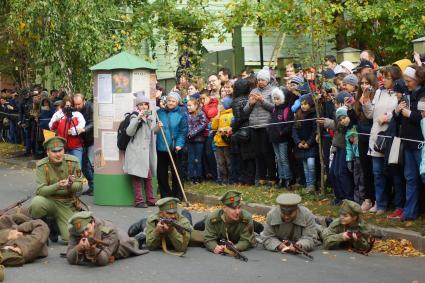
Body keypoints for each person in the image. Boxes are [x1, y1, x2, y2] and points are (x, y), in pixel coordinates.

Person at [361, 66, 403, 215]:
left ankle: (398, 205)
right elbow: (370, 114)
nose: (383, 80)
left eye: (387, 77)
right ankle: (381, 204)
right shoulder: (378, 92)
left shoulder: (399, 93)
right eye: (382, 77)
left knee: (394, 174)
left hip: (391, 137)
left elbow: (400, 111)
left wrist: (389, 116)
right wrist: (365, 102)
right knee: (377, 173)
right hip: (376, 137)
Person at [29, 136, 83, 242]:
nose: (58, 154)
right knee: (36, 202)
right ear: (47, 152)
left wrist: (70, 184)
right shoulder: (42, 165)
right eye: (54, 151)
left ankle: (56, 225)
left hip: (67, 203)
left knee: (70, 239)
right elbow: (41, 191)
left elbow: (79, 186)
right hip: (50, 201)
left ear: (64, 150)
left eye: (60, 150)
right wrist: (58, 185)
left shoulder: (73, 162)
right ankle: (43, 229)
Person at [66, 211, 148, 266]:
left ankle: (143, 229)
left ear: (93, 223)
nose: (85, 234)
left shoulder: (109, 230)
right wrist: (79, 247)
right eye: (81, 232)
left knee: (134, 242)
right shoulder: (75, 231)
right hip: (109, 236)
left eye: (87, 229)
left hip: (121, 243)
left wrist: (93, 250)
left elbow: (104, 259)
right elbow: (69, 257)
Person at [397, 65, 425, 220]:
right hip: (408, 142)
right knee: (410, 177)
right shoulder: (407, 93)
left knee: (423, 177)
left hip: (420, 143)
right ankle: (410, 212)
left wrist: (409, 114)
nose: (406, 84)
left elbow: (423, 117)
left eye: (408, 81)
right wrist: (398, 110)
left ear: (417, 80)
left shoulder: (423, 95)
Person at [243, 66, 276, 187]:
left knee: (267, 152)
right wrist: (251, 104)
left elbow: (274, 108)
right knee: (258, 153)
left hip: (266, 125)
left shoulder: (272, 91)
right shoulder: (253, 91)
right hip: (254, 125)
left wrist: (263, 101)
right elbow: (245, 111)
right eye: (259, 80)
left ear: (267, 80)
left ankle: (272, 177)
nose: (260, 82)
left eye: (262, 80)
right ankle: (261, 177)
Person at [123, 96, 157, 208]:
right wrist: (138, 118)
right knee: (137, 177)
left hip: (144, 153)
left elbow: (149, 133)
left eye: (145, 104)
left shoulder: (149, 117)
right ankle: (139, 201)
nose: (143, 106)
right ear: (137, 106)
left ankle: (150, 200)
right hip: (135, 152)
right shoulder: (134, 116)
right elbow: (129, 132)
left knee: (148, 176)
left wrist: (157, 128)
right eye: (141, 104)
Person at [156, 91, 188, 200]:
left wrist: (179, 144)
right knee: (161, 173)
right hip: (161, 147)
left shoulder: (181, 114)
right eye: (169, 100)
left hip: (175, 147)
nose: (170, 103)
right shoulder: (159, 113)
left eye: (173, 101)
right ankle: (165, 195)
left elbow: (183, 131)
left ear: (177, 102)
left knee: (176, 172)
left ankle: (177, 196)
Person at [203, 190, 256, 255]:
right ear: (224, 208)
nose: (237, 212)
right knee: (199, 226)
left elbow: (246, 240)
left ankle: (255, 226)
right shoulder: (213, 218)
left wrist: (235, 247)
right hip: (216, 223)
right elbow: (208, 238)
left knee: (257, 227)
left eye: (239, 207)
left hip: (241, 223)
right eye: (233, 208)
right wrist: (214, 247)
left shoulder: (246, 218)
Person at [231, 79, 256, 186]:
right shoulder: (250, 98)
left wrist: (233, 129)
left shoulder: (236, 101)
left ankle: (245, 180)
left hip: (242, 132)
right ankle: (251, 179)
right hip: (253, 129)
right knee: (250, 157)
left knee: (243, 157)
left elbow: (238, 118)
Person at [268, 87, 294, 189]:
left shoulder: (287, 110)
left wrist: (281, 132)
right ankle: (281, 178)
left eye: (278, 98)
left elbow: (289, 125)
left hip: (283, 139)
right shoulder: (274, 109)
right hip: (274, 138)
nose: (275, 101)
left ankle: (288, 179)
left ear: (283, 99)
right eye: (274, 98)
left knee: (283, 159)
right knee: (278, 159)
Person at [49, 96, 86, 166]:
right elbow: (51, 127)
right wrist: (56, 121)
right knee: (64, 169)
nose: (68, 107)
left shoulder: (77, 114)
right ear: (63, 105)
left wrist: (73, 131)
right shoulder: (58, 114)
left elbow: (82, 125)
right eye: (66, 105)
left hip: (76, 147)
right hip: (62, 147)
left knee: (77, 167)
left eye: (70, 105)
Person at [292, 94, 317, 192]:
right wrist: (298, 142)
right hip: (300, 145)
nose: (303, 106)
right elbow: (294, 130)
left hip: (310, 145)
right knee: (305, 167)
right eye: (301, 104)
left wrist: (309, 143)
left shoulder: (314, 115)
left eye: (305, 104)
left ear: (310, 104)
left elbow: (314, 131)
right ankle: (308, 185)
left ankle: (312, 184)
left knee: (311, 164)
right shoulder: (298, 114)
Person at [73, 94, 94, 196]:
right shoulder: (75, 109)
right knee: (85, 166)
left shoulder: (90, 107)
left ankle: (95, 187)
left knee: (90, 163)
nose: (77, 107)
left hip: (91, 140)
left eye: (79, 104)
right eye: (75, 104)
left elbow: (93, 122)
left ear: (84, 101)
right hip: (82, 140)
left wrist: (84, 129)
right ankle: (92, 186)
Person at [212, 96, 233, 185]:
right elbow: (214, 127)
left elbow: (231, 126)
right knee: (220, 162)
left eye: (221, 104)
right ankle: (223, 178)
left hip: (226, 143)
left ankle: (230, 178)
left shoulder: (231, 115)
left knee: (228, 162)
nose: (219, 106)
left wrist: (224, 129)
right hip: (218, 143)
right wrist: (217, 116)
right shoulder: (219, 115)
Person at [187, 98, 207, 184]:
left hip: (198, 140)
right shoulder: (186, 114)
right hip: (189, 140)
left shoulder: (201, 113)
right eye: (187, 105)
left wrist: (193, 132)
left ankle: (199, 176)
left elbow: (203, 124)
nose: (188, 107)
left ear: (195, 106)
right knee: (191, 159)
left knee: (197, 159)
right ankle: (192, 176)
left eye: (190, 105)